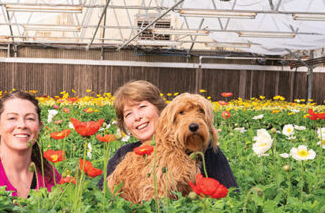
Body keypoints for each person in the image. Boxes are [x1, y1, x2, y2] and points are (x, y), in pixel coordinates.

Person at [100, 80, 238, 190]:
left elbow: (232, 196)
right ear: (125, 123)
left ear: (161, 110)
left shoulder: (205, 150)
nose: (137, 117)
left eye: (142, 107)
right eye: (128, 114)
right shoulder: (123, 154)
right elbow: (100, 197)